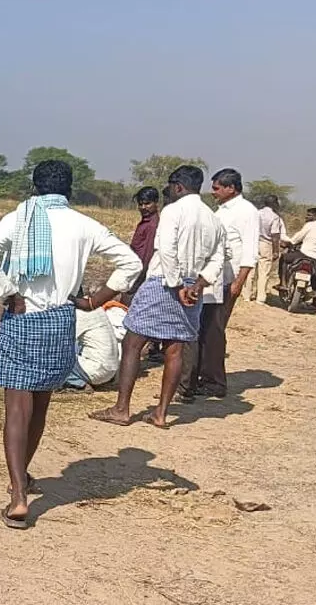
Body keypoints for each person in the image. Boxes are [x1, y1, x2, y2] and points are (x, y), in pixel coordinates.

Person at [0, 160, 141, 529]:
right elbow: (130, 263)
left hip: (23, 317)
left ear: (35, 187)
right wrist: (97, 299)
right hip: (60, 318)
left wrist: (9, 292)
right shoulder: (84, 224)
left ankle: (19, 495)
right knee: (40, 405)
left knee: (16, 409)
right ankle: (22, 477)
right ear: (69, 188)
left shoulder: (20, 218)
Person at [90, 165, 225, 429]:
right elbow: (218, 258)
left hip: (163, 282)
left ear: (178, 187)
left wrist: (177, 286)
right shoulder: (213, 218)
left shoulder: (173, 211)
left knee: (132, 342)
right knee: (175, 349)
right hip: (192, 287)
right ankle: (161, 413)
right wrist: (197, 284)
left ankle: (121, 409)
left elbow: (166, 250)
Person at [176, 168, 258, 401]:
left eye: (217, 188)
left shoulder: (246, 211)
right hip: (210, 278)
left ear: (231, 188)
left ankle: (214, 382)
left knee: (213, 331)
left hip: (226, 280)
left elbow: (250, 252)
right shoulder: (221, 211)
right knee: (202, 329)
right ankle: (200, 378)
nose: (213, 192)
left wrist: (239, 283)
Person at [63, 306, 121, 391]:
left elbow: (64, 340)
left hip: (97, 370)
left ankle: (78, 383)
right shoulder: (96, 309)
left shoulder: (80, 313)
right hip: (110, 370)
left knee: (56, 355)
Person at [281, 207, 316, 301]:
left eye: (309, 215)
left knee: (284, 258)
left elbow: (297, 238)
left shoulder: (309, 225)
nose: (306, 217)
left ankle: (283, 283)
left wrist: (289, 243)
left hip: (305, 254)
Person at [126, 187, 161, 303]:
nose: (143, 207)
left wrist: (134, 284)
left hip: (140, 277)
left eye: (147, 203)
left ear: (156, 203)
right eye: (140, 204)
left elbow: (147, 256)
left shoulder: (152, 225)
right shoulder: (145, 222)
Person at [246, 195, 284, 302]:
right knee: (264, 272)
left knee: (251, 270)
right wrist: (276, 251)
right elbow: (275, 235)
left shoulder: (257, 213)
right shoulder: (274, 217)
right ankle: (260, 298)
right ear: (274, 204)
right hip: (266, 244)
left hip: (254, 242)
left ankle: (247, 295)